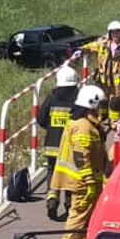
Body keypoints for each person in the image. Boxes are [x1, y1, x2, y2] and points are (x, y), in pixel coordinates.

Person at [56, 85, 110, 239]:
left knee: (86, 216)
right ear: (91, 103)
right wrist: (89, 182)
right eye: (99, 105)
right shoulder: (83, 127)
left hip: (86, 180)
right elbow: (81, 156)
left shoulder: (86, 123)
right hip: (82, 182)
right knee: (78, 217)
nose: (101, 109)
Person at [35, 65, 82, 217]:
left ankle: (52, 200)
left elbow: (41, 119)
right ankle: (69, 204)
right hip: (70, 148)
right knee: (69, 174)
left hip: (52, 146)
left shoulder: (52, 97)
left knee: (52, 171)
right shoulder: (79, 99)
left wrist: (51, 128)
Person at [84, 21, 120, 122]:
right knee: (103, 99)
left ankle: (114, 121)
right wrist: (80, 50)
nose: (116, 34)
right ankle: (102, 117)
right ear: (109, 33)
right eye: (113, 32)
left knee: (115, 102)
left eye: (118, 32)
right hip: (104, 79)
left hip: (118, 81)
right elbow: (91, 46)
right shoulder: (102, 44)